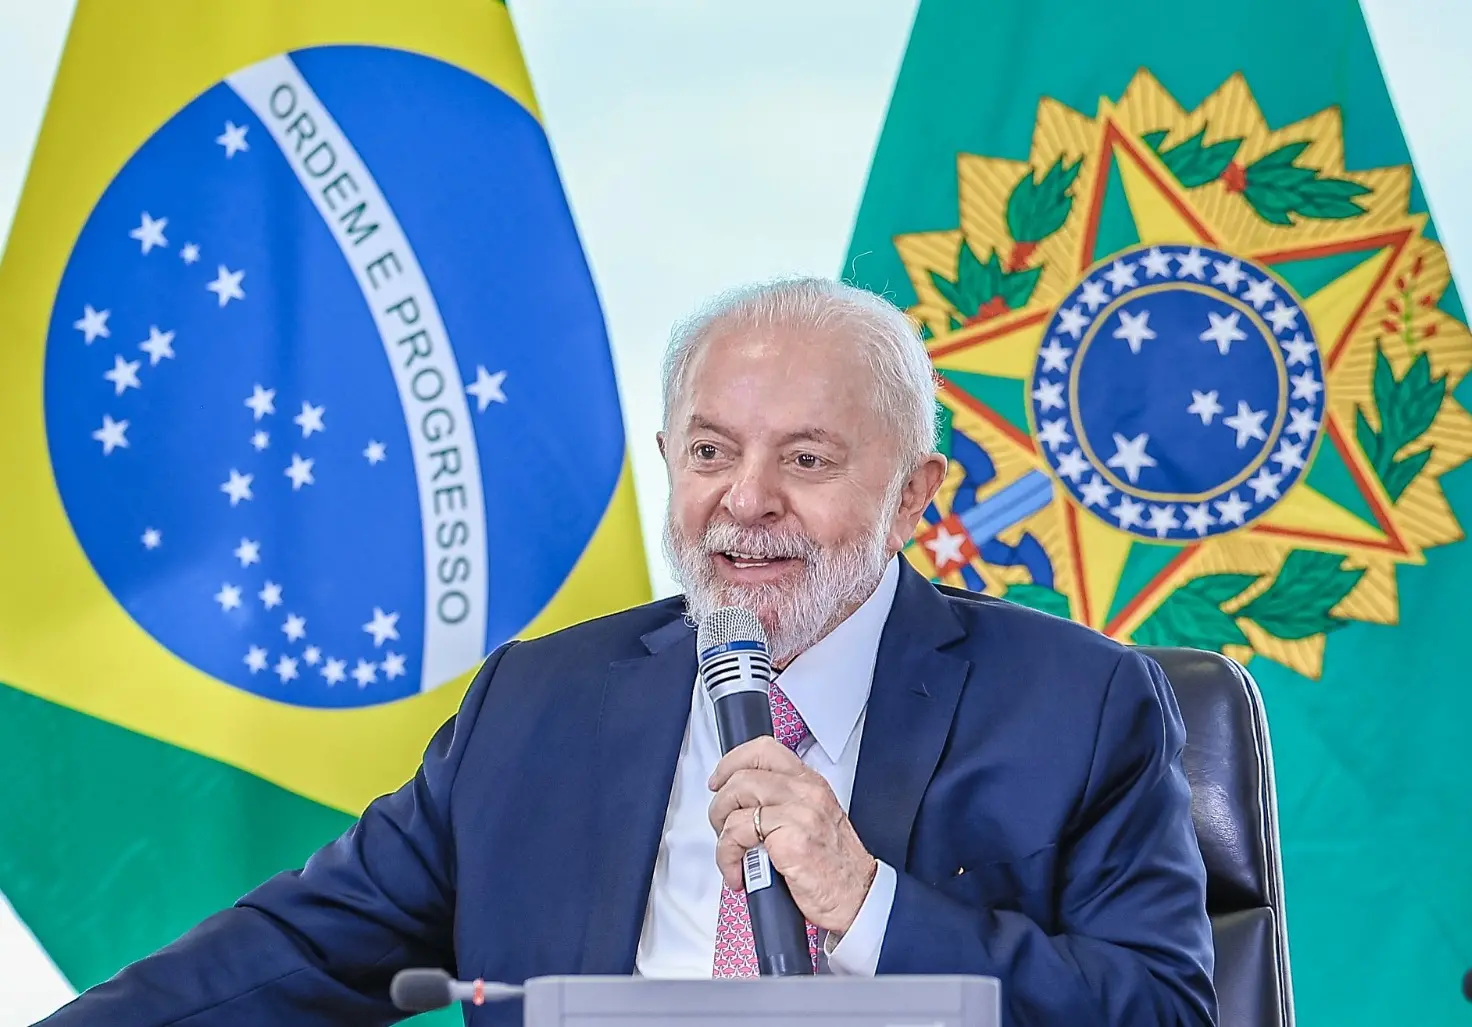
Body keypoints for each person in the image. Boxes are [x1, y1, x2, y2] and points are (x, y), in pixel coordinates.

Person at [35, 277, 1216, 1026]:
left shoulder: (1079, 703)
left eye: (806, 460)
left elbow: (1162, 1010)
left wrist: (864, 902)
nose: (744, 501)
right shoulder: (538, 700)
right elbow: (296, 948)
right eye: (710, 453)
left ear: (914, 495)